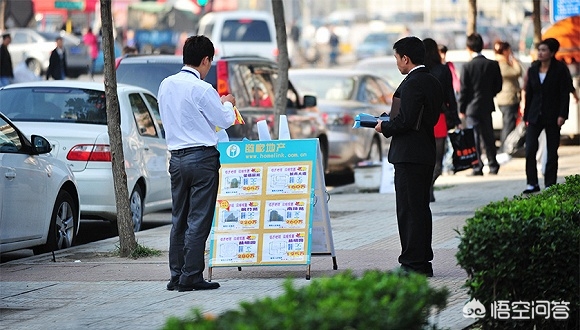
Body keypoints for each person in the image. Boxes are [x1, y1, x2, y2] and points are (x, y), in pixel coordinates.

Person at [158, 35, 236, 292]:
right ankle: (191, 275)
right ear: (205, 60)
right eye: (209, 62)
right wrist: (226, 104)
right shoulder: (203, 89)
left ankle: (176, 275)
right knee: (199, 218)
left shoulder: (166, 84)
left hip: (177, 159)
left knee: (179, 218)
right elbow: (224, 120)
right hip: (202, 158)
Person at [374, 36, 443, 277]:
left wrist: (385, 127)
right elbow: (422, 117)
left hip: (410, 155)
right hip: (424, 152)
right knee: (420, 209)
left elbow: (406, 120)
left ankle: (413, 263)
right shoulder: (432, 80)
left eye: (396, 58)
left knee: (409, 210)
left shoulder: (413, 82)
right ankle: (422, 261)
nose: (396, 63)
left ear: (406, 58)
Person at [522, 38, 574, 194]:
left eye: (544, 50)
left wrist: (562, 114)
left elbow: (564, 94)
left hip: (553, 115)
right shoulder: (533, 70)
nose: (540, 53)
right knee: (530, 148)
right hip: (534, 115)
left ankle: (550, 183)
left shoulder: (560, 69)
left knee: (552, 150)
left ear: (552, 53)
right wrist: (526, 116)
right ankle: (532, 183)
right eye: (539, 50)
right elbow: (529, 94)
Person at [423, 38, 461, 203]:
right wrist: (455, 116)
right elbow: (450, 95)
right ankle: (429, 187)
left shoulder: (420, 71)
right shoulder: (443, 70)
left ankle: (425, 188)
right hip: (439, 118)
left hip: (421, 120)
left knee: (424, 158)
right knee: (438, 158)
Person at [458, 33, 502, 176]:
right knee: (488, 136)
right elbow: (498, 86)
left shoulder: (467, 67)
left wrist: (461, 108)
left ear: (469, 48)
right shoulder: (492, 64)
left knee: (475, 137)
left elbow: (464, 90)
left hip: (471, 108)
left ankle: (478, 167)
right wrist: (489, 95)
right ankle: (493, 165)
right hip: (487, 105)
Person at [494, 41, 523, 153]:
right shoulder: (502, 64)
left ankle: (507, 147)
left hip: (510, 98)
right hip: (507, 99)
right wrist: (514, 61)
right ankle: (504, 148)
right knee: (508, 124)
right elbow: (517, 71)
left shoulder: (504, 63)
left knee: (509, 123)